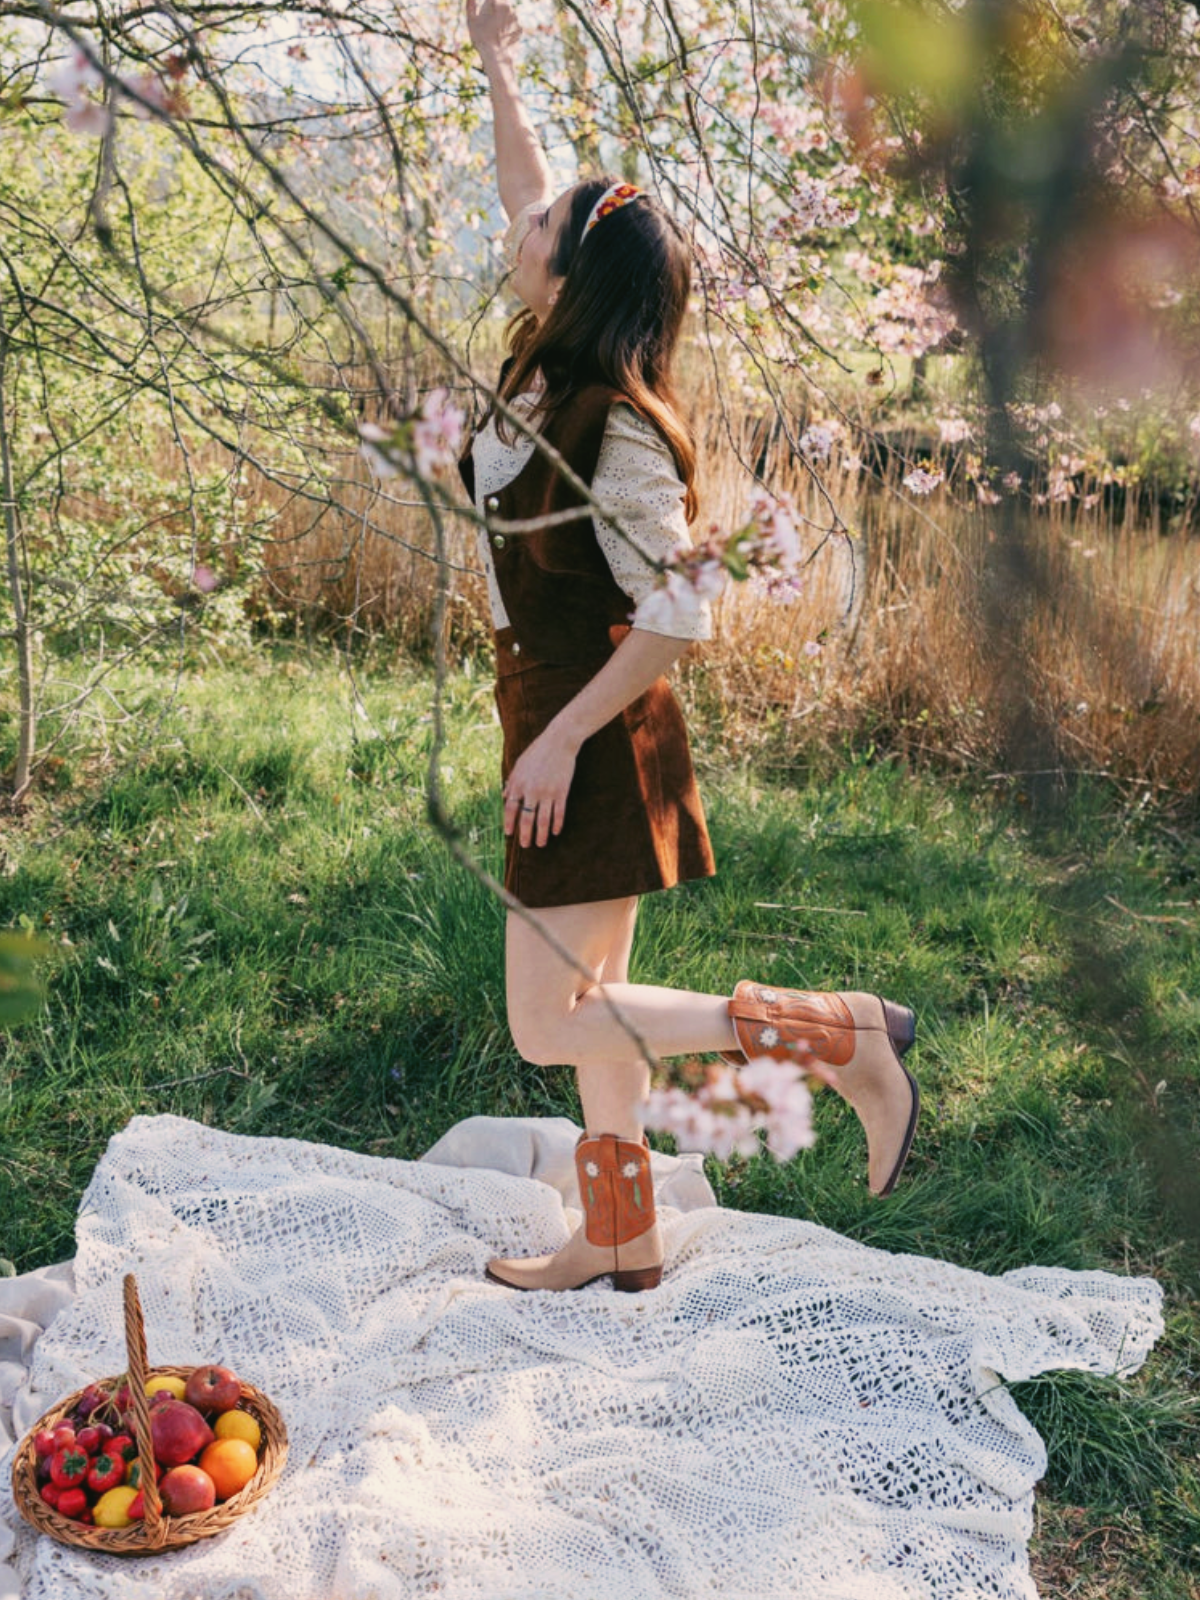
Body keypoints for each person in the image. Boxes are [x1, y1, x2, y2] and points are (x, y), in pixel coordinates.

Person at [463, 0, 919, 1295]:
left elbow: (679, 614)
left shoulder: (611, 426)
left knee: (544, 1020)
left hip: (593, 730)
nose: (522, 226)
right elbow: (531, 184)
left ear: (575, 274)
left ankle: (838, 1037)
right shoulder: (544, 369)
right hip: (557, 717)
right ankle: (619, 1232)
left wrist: (557, 736)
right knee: (596, 1010)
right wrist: (500, 62)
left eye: (546, 228)